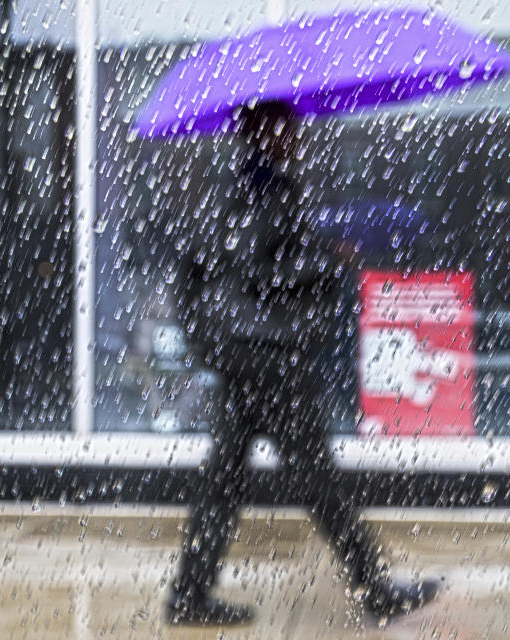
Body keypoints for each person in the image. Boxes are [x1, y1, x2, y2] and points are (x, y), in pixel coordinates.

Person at [166, 100, 439, 626]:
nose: (298, 133)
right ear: (263, 131)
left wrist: (312, 248)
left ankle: (189, 593)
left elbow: (244, 260)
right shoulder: (261, 189)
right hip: (269, 355)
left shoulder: (247, 185)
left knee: (225, 477)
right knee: (315, 479)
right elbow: (253, 266)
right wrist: (324, 260)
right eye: (286, 125)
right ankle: (376, 589)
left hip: (246, 351)